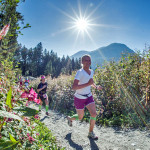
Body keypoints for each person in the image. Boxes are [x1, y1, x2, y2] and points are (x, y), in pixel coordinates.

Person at [67, 54, 102, 140]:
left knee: (93, 113)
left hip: (88, 96)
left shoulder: (92, 71)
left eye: (89, 60)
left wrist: (96, 87)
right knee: (80, 117)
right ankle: (70, 119)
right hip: (79, 98)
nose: (88, 62)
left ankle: (90, 132)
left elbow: (91, 82)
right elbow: (74, 87)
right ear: (82, 62)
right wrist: (88, 84)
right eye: (85, 60)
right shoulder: (80, 72)